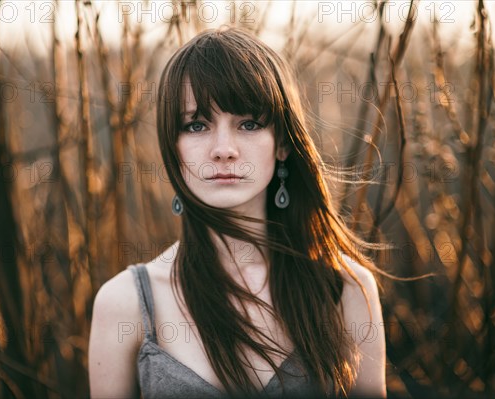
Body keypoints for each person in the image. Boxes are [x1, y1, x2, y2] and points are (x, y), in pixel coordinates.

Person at [89, 26, 386, 398]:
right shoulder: (125, 303)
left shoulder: (346, 290)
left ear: (282, 143)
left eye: (248, 124)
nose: (223, 149)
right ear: (173, 148)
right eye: (196, 125)